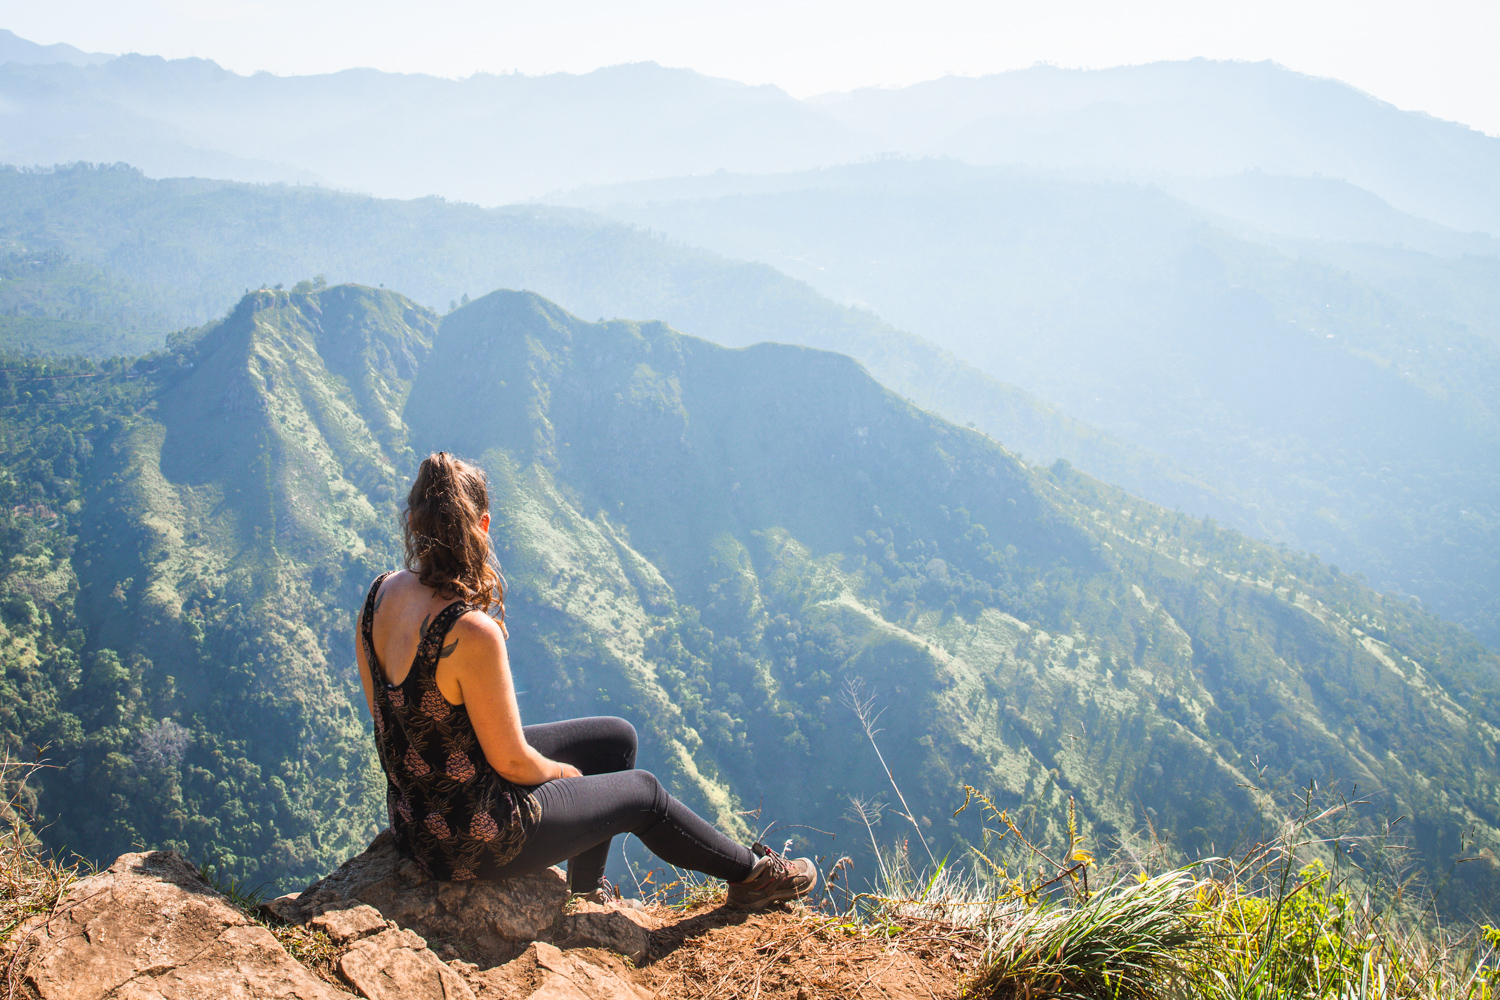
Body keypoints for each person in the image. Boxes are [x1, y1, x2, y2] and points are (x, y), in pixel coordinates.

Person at [354, 451, 817, 909]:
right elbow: (513, 765)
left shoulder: (379, 594)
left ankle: (583, 893)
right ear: (483, 525)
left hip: (413, 822)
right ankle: (754, 877)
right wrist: (562, 776)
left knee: (614, 742)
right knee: (646, 794)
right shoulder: (470, 632)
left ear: (412, 521)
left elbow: (390, 720)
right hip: (473, 843)